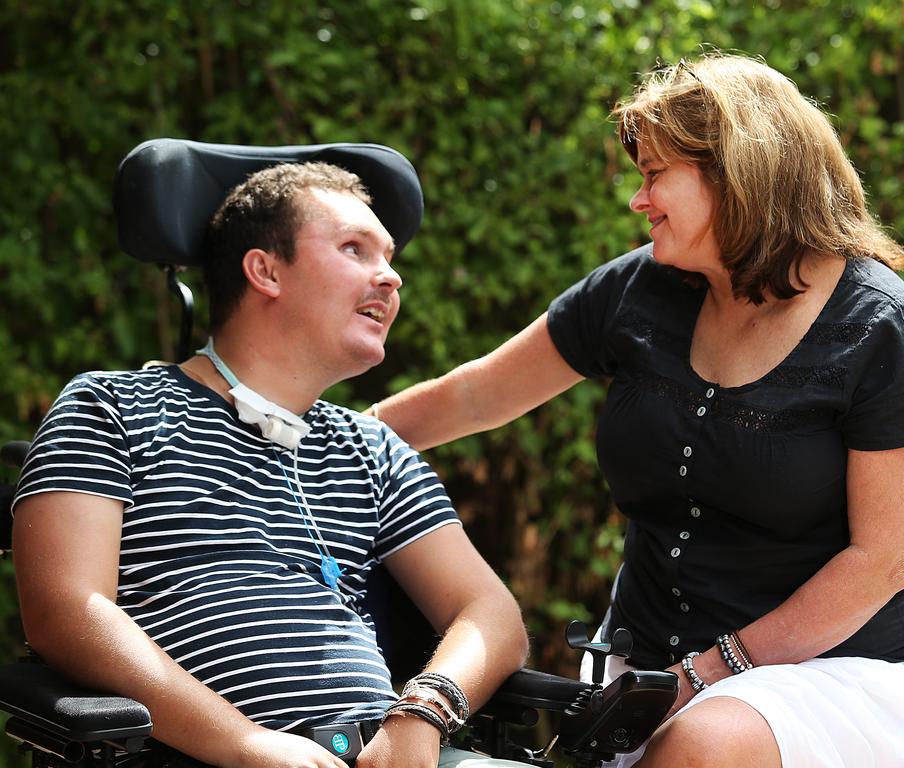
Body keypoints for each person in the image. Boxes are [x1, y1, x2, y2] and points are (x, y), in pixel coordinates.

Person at [370, 53, 904, 768]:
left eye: (655, 174)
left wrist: (707, 673)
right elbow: (474, 395)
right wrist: (316, 440)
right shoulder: (640, 289)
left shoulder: (884, 330)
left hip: (836, 669)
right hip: (652, 670)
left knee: (702, 747)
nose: (639, 199)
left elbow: (881, 565)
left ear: (737, 175)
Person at [13, 160, 532, 768]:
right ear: (264, 270)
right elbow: (65, 609)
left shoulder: (372, 446)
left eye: (389, 257)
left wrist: (422, 712)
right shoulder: (112, 407)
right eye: (354, 249)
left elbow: (492, 614)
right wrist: (244, 743)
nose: (390, 277)